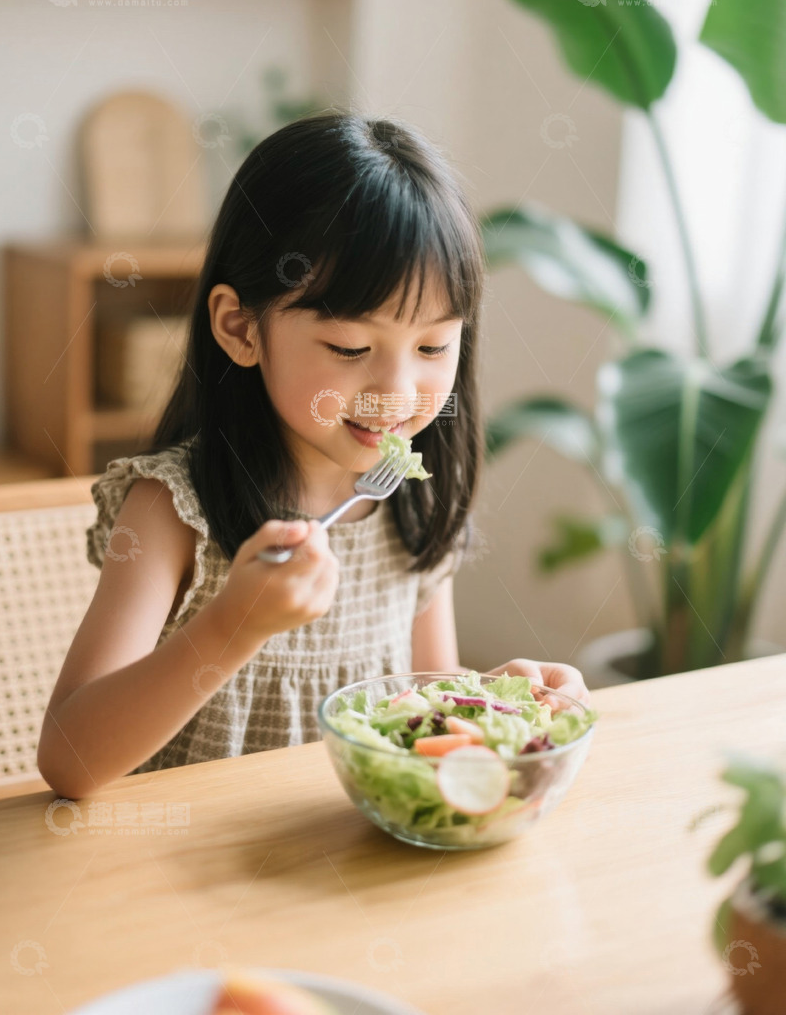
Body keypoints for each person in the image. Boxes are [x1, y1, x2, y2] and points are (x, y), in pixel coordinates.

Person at [37, 111, 589, 798]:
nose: (396, 393)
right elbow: (68, 759)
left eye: (432, 347)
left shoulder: (412, 503)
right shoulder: (173, 509)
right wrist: (233, 626)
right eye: (351, 349)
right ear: (241, 329)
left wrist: (495, 705)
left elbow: (423, 699)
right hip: (190, 856)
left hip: (349, 849)